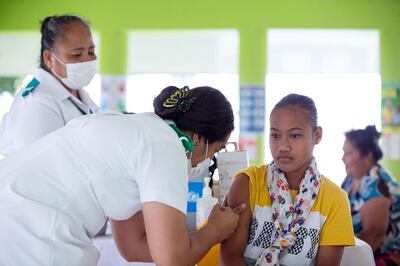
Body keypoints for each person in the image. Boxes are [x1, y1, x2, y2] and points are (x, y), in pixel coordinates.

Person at [0, 85, 246, 266]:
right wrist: (213, 231)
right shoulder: (165, 146)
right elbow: (172, 259)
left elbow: (133, 245)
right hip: (34, 229)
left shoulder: (137, 129)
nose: (207, 161)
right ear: (197, 138)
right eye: (215, 150)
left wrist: (193, 241)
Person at [220, 93, 355, 266]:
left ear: (317, 135)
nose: (283, 146)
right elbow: (229, 257)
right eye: (275, 135)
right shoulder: (248, 183)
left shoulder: (335, 199)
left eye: (295, 135)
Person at [0, 15, 99, 156]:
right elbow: (39, 167)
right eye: (76, 54)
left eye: (91, 52)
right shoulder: (36, 102)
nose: (87, 60)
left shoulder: (77, 93)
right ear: (49, 58)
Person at [341, 125, 400, 266]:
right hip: (357, 250)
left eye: (349, 153)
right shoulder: (351, 179)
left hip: (382, 256)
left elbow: (373, 234)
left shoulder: (377, 182)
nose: (343, 158)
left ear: (368, 155)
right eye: (343, 152)